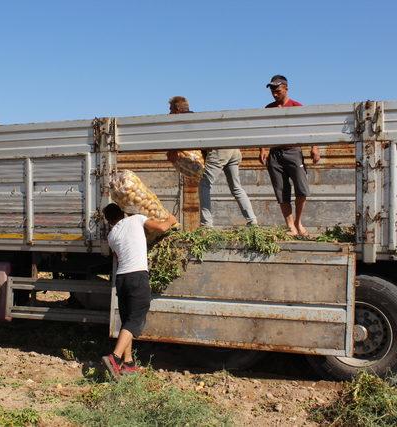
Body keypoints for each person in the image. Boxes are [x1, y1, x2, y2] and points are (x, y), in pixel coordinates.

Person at [101, 203, 177, 377]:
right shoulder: (136, 219)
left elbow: (117, 256)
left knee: (127, 320)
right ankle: (115, 357)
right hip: (137, 276)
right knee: (136, 318)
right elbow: (161, 227)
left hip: (121, 278)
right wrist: (171, 220)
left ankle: (128, 363)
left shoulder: (111, 235)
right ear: (123, 212)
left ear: (109, 221)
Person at [166, 96, 258, 228]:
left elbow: (183, 140)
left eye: (170, 110)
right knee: (236, 187)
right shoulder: (198, 118)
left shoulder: (185, 120)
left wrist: (173, 150)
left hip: (220, 149)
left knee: (204, 184)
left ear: (177, 109)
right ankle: (252, 220)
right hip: (233, 148)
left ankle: (206, 225)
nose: (169, 113)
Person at [259, 75, 320, 237]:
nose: (274, 94)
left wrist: (315, 147)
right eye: (272, 91)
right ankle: (290, 226)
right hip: (275, 154)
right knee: (281, 191)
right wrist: (263, 149)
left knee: (302, 190)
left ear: (286, 88)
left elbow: (310, 128)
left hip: (293, 152)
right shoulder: (269, 108)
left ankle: (298, 222)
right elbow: (263, 131)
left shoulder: (297, 107)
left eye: (277, 90)